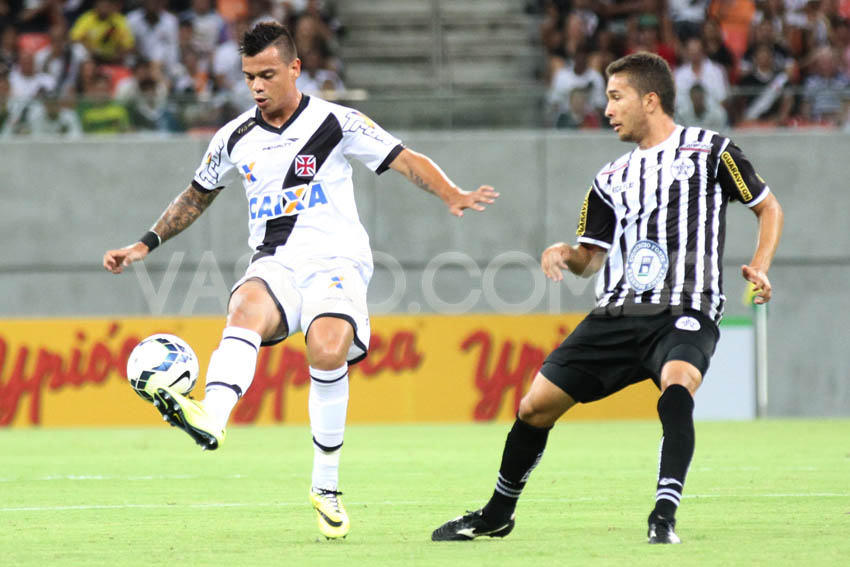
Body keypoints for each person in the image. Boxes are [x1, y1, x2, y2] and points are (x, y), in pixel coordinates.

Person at [102, 22, 498, 540]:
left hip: (336, 262)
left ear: (294, 68)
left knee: (328, 350)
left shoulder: (337, 121)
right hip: (276, 263)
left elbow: (404, 159)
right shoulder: (234, 137)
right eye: (249, 76)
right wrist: (144, 243)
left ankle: (325, 487)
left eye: (267, 74)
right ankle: (211, 417)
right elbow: (196, 195)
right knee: (244, 306)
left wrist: (451, 193)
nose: (257, 86)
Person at [431, 52, 783, 544]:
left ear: (651, 100)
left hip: (686, 306)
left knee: (677, 386)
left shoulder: (711, 151)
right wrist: (566, 254)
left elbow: (768, 208)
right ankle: (497, 514)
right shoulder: (610, 177)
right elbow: (591, 259)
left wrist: (760, 265)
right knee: (534, 408)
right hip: (617, 313)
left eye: (617, 98)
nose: (608, 109)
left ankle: (663, 515)